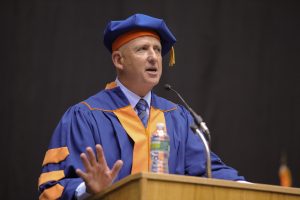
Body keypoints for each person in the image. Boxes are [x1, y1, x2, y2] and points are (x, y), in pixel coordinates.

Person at [38, 13, 245, 200]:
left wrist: (246, 187)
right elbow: (52, 187)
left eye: (157, 49)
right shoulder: (84, 116)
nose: (154, 56)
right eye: (142, 49)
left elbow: (208, 169)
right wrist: (87, 188)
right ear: (119, 60)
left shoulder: (177, 117)